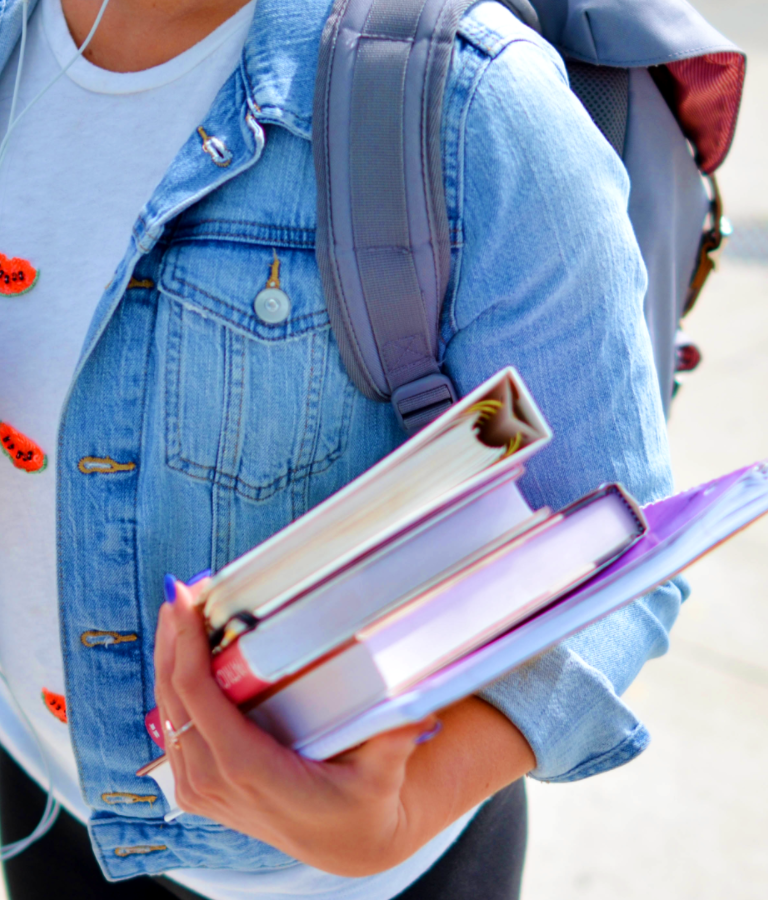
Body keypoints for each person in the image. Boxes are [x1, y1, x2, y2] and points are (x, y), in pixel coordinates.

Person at [0, 0, 687, 897]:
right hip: (45, 804)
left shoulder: (467, 100)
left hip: (356, 880)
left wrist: (398, 814)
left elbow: (615, 550)